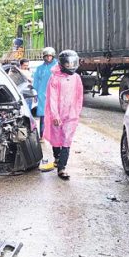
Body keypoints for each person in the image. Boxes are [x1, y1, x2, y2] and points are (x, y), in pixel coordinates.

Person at [43, 50, 83, 180]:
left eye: (73, 63)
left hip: (71, 114)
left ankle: (62, 167)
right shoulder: (54, 78)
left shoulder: (76, 78)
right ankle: (57, 157)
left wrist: (76, 112)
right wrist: (55, 115)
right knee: (56, 138)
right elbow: (52, 99)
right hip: (57, 113)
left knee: (67, 139)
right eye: (68, 64)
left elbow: (79, 96)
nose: (71, 66)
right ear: (61, 64)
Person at [33, 47, 57, 141]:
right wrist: (35, 93)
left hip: (55, 94)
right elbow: (36, 81)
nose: (48, 58)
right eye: (46, 56)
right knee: (43, 116)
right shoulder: (40, 68)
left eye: (50, 56)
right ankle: (42, 135)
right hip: (42, 94)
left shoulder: (58, 67)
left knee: (56, 115)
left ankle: (55, 135)